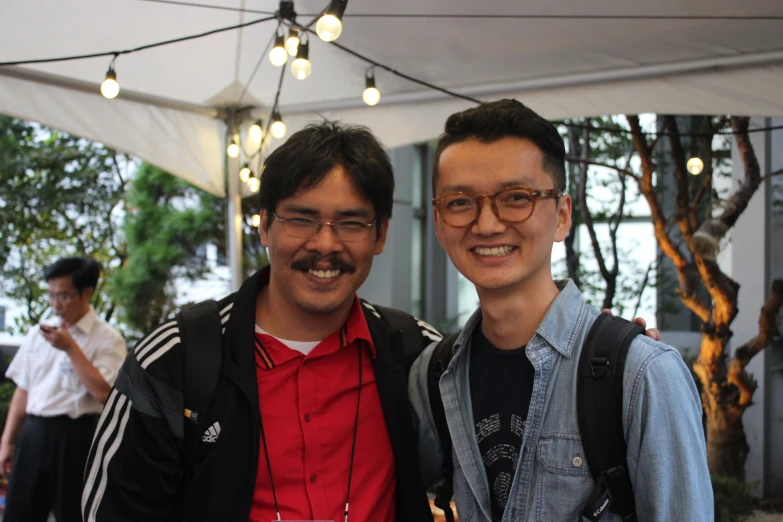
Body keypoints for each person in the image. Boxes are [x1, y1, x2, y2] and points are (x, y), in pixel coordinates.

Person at [81, 122, 440, 522]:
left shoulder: (417, 356)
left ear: (380, 235)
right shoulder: (174, 362)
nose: (325, 244)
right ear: (265, 225)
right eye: (302, 219)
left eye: (351, 223)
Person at [409, 99, 713, 521]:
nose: (487, 224)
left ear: (562, 216)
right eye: (459, 202)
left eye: (516, 197)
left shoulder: (643, 374)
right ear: (440, 224)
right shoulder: (434, 373)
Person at [0, 257, 127, 522]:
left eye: (64, 297)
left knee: (74, 514)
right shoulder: (40, 332)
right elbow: (23, 390)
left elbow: (105, 393)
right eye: (51, 295)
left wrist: (71, 348)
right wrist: (7, 440)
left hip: (76, 437)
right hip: (34, 433)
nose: (55, 304)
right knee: (19, 512)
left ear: (87, 293)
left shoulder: (108, 338)